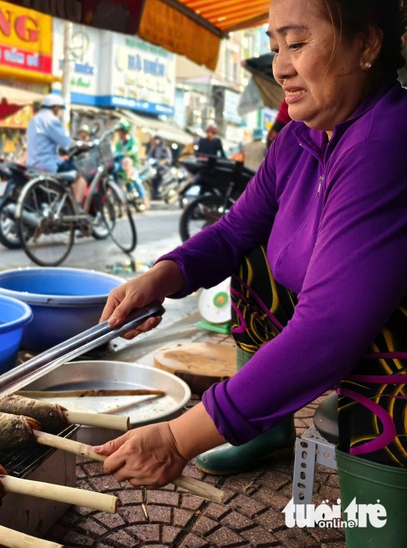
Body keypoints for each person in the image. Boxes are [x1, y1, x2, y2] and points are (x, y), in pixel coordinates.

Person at [95, 0, 407, 541]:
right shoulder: (301, 139)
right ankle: (266, 426)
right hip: (347, 331)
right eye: (274, 46)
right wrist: (163, 274)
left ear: (367, 46)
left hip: (391, 364)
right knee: (254, 254)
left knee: (374, 523)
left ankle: (380, 494)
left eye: (299, 43)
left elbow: (330, 328)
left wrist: (179, 438)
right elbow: (237, 229)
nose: (281, 67)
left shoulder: (387, 140)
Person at [26, 93, 87, 205]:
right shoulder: (51, 120)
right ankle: (77, 208)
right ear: (55, 108)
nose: (60, 113)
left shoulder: (34, 120)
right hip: (48, 164)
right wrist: (83, 145)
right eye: (60, 109)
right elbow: (66, 143)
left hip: (31, 164)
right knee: (80, 178)